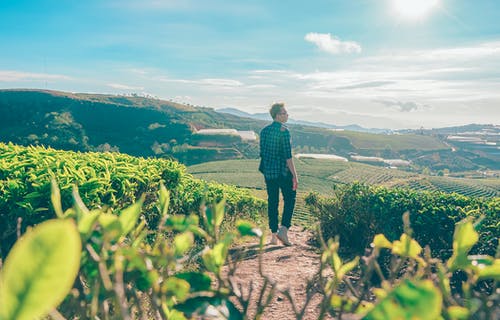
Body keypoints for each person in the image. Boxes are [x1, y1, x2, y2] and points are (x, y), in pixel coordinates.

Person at [259, 102, 298, 246]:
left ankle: (274, 236)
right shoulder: (284, 131)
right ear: (277, 115)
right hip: (283, 171)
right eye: (284, 113)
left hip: (269, 172)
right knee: (290, 198)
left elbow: (262, 153)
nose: (287, 115)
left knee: (272, 201)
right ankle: (284, 229)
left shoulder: (264, 131)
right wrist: (294, 175)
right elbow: (288, 156)